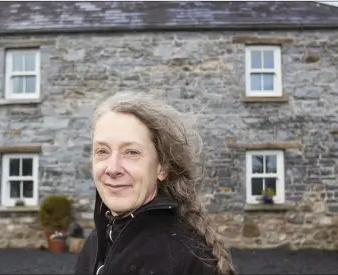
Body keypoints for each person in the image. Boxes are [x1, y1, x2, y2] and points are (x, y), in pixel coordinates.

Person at [74, 92, 236, 275]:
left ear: (163, 167)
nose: (113, 168)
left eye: (132, 152)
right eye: (102, 151)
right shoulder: (94, 243)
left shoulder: (188, 256)